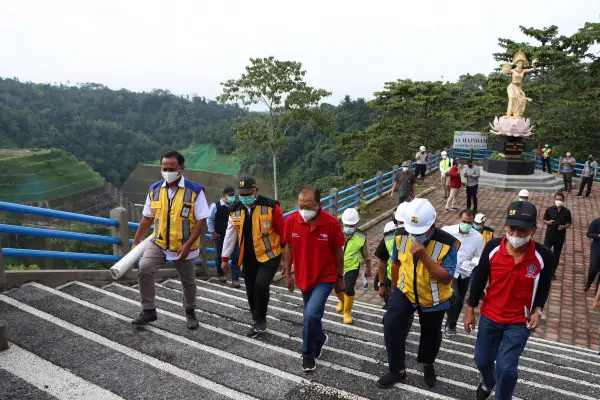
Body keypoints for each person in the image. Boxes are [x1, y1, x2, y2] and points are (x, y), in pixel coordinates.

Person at [465, 201, 555, 400]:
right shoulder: (493, 248)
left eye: (522, 230)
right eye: (512, 228)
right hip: (490, 315)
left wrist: (538, 311)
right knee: (481, 360)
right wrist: (471, 309)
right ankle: (488, 382)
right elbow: (479, 279)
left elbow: (543, 288)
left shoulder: (544, 257)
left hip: (518, 322)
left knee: (507, 369)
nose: (516, 235)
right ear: (505, 225)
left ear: (534, 229)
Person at [377, 198, 457, 389]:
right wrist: (394, 291)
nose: (415, 236)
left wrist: (424, 257)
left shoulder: (447, 243)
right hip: (405, 292)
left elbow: (446, 278)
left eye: (420, 233)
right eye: (412, 232)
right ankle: (397, 370)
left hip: (434, 298)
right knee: (391, 323)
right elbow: (395, 263)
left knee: (431, 334)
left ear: (433, 225)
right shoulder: (400, 235)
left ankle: (428, 365)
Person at [131, 151, 210, 330]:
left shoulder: (195, 191)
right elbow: (147, 218)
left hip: (184, 246)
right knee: (144, 269)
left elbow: (200, 222)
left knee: (188, 281)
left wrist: (187, 246)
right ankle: (148, 310)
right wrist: (136, 240)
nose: (167, 171)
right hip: (159, 242)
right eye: (164, 168)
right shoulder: (155, 190)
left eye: (171, 168)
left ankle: (190, 311)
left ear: (181, 168)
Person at [283, 186, 345, 372]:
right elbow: (288, 247)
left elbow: (338, 251)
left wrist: (340, 276)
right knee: (312, 314)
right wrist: (288, 274)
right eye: (301, 205)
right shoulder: (292, 221)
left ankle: (307, 355)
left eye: (308, 206)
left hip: (325, 276)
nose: (304, 210)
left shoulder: (331, 224)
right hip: (303, 276)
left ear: (319, 205)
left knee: (310, 314)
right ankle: (319, 338)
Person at [221, 175, 285, 337]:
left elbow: (283, 232)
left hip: (270, 255)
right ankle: (256, 318)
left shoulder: (271, 206)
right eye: (241, 195)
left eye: (248, 194)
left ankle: (261, 319)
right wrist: (224, 258)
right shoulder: (235, 209)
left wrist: (285, 258)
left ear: (256, 190)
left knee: (261, 285)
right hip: (248, 257)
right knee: (250, 289)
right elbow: (230, 234)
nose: (244, 198)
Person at [442, 209, 484, 338]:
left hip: (465, 272)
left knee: (460, 301)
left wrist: (472, 263)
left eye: (469, 223)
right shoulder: (447, 231)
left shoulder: (477, 237)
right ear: (459, 218)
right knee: (455, 296)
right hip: (450, 270)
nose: (466, 224)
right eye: (464, 221)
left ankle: (452, 323)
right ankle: (449, 322)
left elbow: (480, 255)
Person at [334, 208, 371, 324]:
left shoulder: (361, 236)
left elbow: (367, 255)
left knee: (349, 289)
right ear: (342, 223)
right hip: (336, 266)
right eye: (347, 225)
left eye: (352, 225)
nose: (349, 227)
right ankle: (343, 302)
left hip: (352, 267)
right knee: (336, 288)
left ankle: (347, 312)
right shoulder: (335, 233)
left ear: (356, 224)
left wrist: (368, 268)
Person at [375, 202, 408, 310]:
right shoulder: (389, 237)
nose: (402, 226)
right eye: (400, 222)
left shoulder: (420, 239)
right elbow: (382, 262)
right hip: (391, 282)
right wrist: (381, 284)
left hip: (410, 285)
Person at [208, 186, 241, 287]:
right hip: (219, 236)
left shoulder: (236, 206)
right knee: (219, 256)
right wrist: (212, 233)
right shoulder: (215, 206)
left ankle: (235, 278)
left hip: (234, 236)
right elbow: (210, 219)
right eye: (230, 195)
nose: (232, 197)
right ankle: (221, 274)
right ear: (224, 196)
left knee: (236, 257)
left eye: (233, 195)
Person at [542, 192, 572, 280]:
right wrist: (548, 222)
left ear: (563, 200)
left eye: (560, 199)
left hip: (560, 236)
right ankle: (544, 270)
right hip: (549, 235)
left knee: (556, 255)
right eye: (557, 199)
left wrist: (564, 227)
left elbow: (569, 223)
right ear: (554, 200)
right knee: (545, 252)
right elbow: (544, 220)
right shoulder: (549, 210)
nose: (558, 201)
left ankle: (552, 272)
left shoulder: (567, 212)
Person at [585, 217, 600, 293]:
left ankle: (597, 291)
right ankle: (588, 283)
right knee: (593, 268)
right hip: (597, 250)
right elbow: (589, 233)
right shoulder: (596, 222)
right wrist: (597, 236)